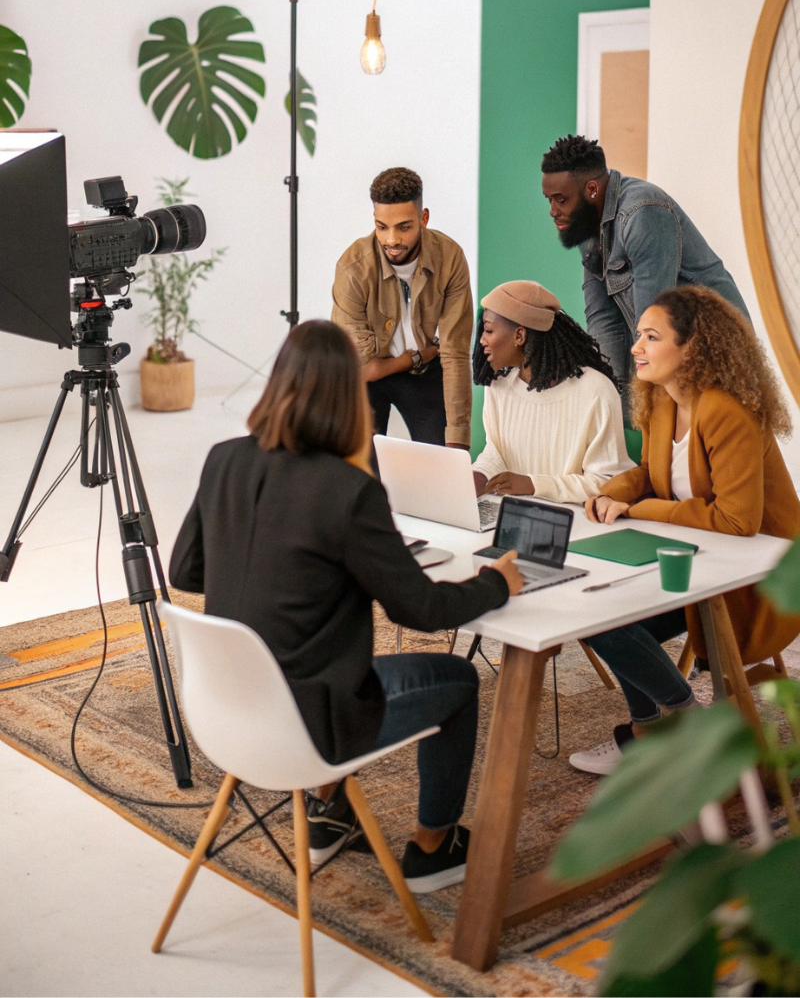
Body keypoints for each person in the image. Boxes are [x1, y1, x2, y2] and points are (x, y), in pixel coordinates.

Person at [169, 319, 524, 892]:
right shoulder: (349, 490)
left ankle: (329, 814)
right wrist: (497, 583)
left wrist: (273, 564)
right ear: (350, 398)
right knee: (458, 680)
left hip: (228, 711)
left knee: (329, 665)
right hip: (311, 726)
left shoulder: (223, 459)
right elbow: (421, 612)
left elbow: (184, 570)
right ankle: (434, 846)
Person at [570, 285, 800, 776]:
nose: (636, 347)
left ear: (692, 348)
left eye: (651, 337)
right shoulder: (661, 399)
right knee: (597, 613)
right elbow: (652, 475)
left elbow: (737, 521)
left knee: (611, 617)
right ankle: (652, 729)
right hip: (695, 555)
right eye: (638, 335)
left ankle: (678, 724)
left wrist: (640, 510)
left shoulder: (727, 411)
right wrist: (613, 492)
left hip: (760, 574)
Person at [541, 135, 749, 413]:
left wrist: (631, 404)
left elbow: (655, 323)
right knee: (607, 408)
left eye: (560, 200)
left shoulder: (643, 212)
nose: (553, 211)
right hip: (669, 355)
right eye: (549, 200)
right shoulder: (586, 227)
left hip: (718, 356)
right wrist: (607, 397)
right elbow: (603, 320)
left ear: (591, 189)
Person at [332, 166, 473, 450]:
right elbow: (360, 370)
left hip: (426, 373)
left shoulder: (450, 258)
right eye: (381, 227)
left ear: (424, 218)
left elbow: (455, 355)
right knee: (360, 469)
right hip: (370, 379)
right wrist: (414, 358)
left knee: (442, 465)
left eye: (404, 227)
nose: (392, 239)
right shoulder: (352, 269)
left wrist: (457, 439)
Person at [472, 279, 634, 504]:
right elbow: (497, 454)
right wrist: (477, 478)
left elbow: (606, 481)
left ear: (520, 336)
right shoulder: (498, 387)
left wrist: (533, 484)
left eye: (488, 330)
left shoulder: (595, 390)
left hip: (576, 523)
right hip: (511, 513)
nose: (482, 340)